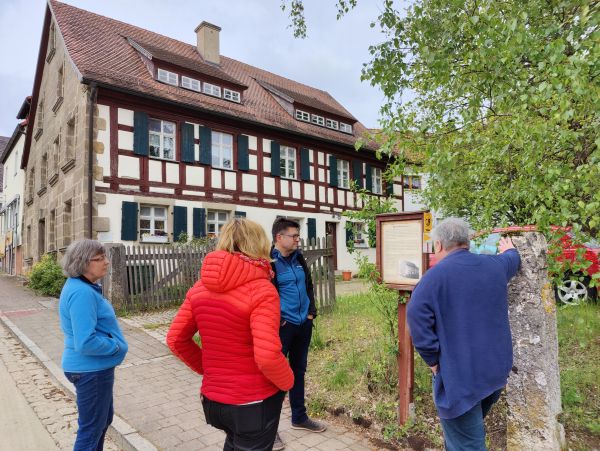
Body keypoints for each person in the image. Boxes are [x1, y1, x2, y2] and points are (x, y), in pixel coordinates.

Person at [167, 218, 294, 451]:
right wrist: (288, 381)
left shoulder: (199, 288)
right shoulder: (262, 290)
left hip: (214, 401)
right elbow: (267, 357)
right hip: (252, 403)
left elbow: (175, 339)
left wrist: (212, 371)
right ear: (258, 244)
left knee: (234, 443)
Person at [407, 218, 521, 451]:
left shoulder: (432, 279)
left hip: (461, 379)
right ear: (466, 242)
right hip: (493, 374)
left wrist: (432, 361)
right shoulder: (494, 266)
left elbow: (416, 318)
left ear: (438, 245)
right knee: (462, 435)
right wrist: (511, 250)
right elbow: (513, 259)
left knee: (467, 444)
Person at [59, 239, 129, 451]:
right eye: (100, 259)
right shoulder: (82, 292)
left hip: (92, 369)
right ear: (82, 262)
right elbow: (85, 341)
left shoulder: (83, 287)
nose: (106, 262)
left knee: (101, 422)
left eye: (105, 257)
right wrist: (115, 346)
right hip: (91, 370)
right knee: (90, 431)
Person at [270, 218, 326, 450]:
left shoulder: (298, 257)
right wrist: (279, 321)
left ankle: (299, 417)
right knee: (274, 378)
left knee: (298, 371)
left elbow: (309, 285)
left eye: (297, 235)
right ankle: (268, 430)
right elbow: (267, 296)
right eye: (293, 235)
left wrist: (311, 312)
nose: (297, 239)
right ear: (278, 238)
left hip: (304, 324)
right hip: (283, 327)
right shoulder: (269, 263)